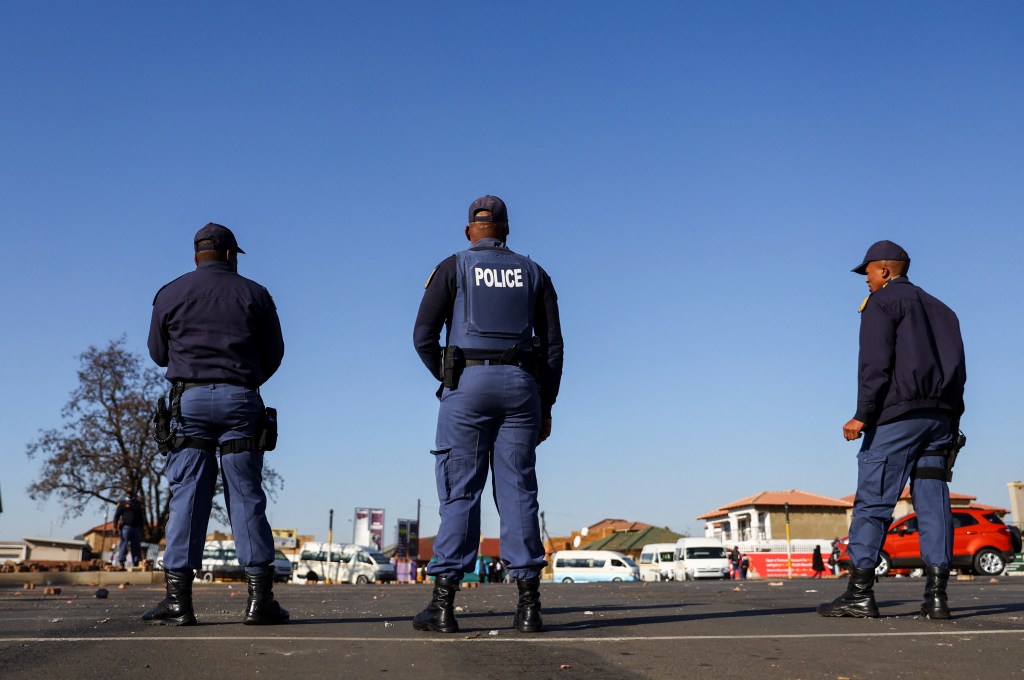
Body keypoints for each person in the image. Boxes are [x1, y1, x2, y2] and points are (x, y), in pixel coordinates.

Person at [412, 195, 564, 634]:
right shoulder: (534, 272)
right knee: (518, 492)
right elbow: (553, 347)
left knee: (460, 491)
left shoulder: (452, 266)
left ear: (468, 231)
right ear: (507, 231)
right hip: (522, 390)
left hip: (468, 385)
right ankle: (529, 606)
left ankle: (443, 606)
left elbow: (423, 335)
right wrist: (546, 406)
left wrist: (449, 376)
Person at [144, 223, 288, 627]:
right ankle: (260, 602)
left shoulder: (169, 293)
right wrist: (245, 378)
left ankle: (178, 603)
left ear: (196, 256)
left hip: (187, 403)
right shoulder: (255, 294)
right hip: (240, 399)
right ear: (230, 255)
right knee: (245, 495)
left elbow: (157, 354)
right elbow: (275, 353)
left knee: (187, 495)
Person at [818, 240, 965, 620]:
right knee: (933, 504)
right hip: (940, 420)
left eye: (866, 271)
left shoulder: (882, 303)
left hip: (898, 417)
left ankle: (859, 594)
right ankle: (937, 599)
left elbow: (875, 364)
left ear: (884, 270)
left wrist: (862, 414)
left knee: (874, 501)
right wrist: (954, 421)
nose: (864, 279)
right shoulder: (943, 310)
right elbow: (960, 372)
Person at [113, 492, 144, 567]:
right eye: (128, 493)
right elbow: (116, 516)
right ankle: (121, 561)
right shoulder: (122, 503)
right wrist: (115, 527)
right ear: (126, 494)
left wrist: (141, 528)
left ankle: (136, 561)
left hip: (136, 528)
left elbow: (141, 517)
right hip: (126, 527)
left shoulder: (137, 503)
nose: (129, 494)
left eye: (131, 493)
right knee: (124, 544)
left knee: (136, 545)